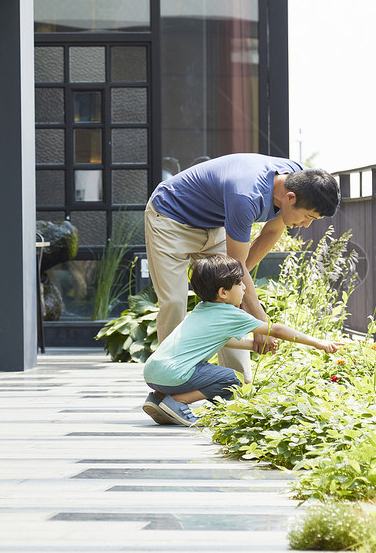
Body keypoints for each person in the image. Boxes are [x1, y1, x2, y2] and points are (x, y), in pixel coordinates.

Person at [144, 153, 340, 382]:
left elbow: (271, 232)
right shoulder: (245, 196)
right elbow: (237, 268)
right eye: (308, 217)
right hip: (170, 217)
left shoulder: (298, 177)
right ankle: (169, 382)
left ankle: (237, 388)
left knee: (230, 299)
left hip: (213, 223)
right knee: (175, 301)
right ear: (290, 198)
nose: (306, 225)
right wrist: (261, 325)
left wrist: (233, 286)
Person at [142, 254, 343, 426]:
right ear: (223, 293)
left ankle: (158, 399)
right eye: (239, 283)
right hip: (176, 374)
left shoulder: (202, 309)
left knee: (213, 374)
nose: (245, 288)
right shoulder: (229, 313)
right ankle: (177, 402)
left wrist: (254, 346)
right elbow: (278, 330)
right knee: (232, 378)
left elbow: (223, 341)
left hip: (154, 373)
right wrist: (317, 342)